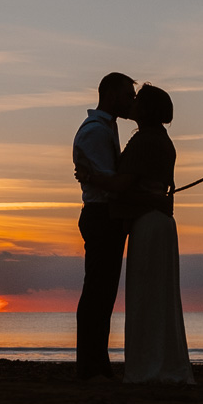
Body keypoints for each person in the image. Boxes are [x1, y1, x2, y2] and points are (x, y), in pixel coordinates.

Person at [112, 85, 193, 384]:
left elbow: (123, 183)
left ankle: (149, 367)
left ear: (146, 110)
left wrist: (92, 176)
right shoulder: (161, 140)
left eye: (138, 101)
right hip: (159, 222)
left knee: (146, 294)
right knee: (159, 296)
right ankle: (160, 362)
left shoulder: (145, 140)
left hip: (148, 223)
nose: (132, 103)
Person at [72, 72, 136, 380]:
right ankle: (90, 364)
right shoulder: (96, 131)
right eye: (128, 96)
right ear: (111, 95)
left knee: (103, 291)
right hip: (101, 214)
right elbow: (108, 183)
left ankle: (95, 362)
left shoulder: (105, 128)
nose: (132, 102)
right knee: (98, 291)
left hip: (105, 214)